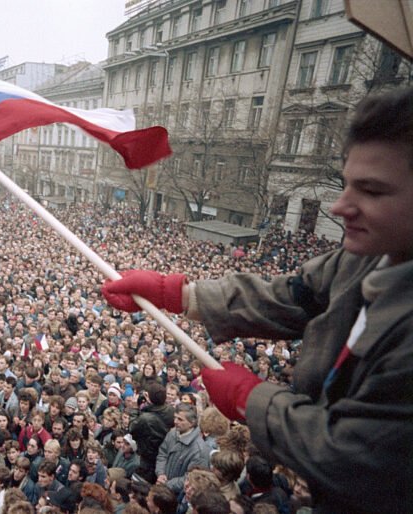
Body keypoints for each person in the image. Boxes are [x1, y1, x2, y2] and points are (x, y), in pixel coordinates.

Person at [101, 86, 413, 513]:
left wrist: (255, 401)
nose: (341, 206)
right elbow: (290, 295)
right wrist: (180, 295)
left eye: (372, 191)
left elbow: (350, 455)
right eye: (345, 185)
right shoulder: (367, 257)